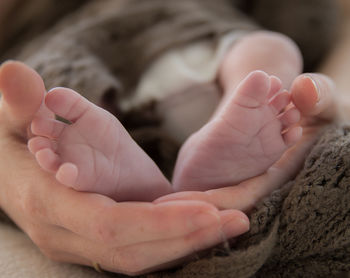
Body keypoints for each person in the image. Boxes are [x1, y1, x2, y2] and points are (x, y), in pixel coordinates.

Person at [0, 0, 342, 275]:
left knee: (269, 49)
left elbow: (310, 18)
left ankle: (212, 133)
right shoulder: (43, 18)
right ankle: (130, 178)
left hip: (214, 53)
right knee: (57, 105)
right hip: (109, 96)